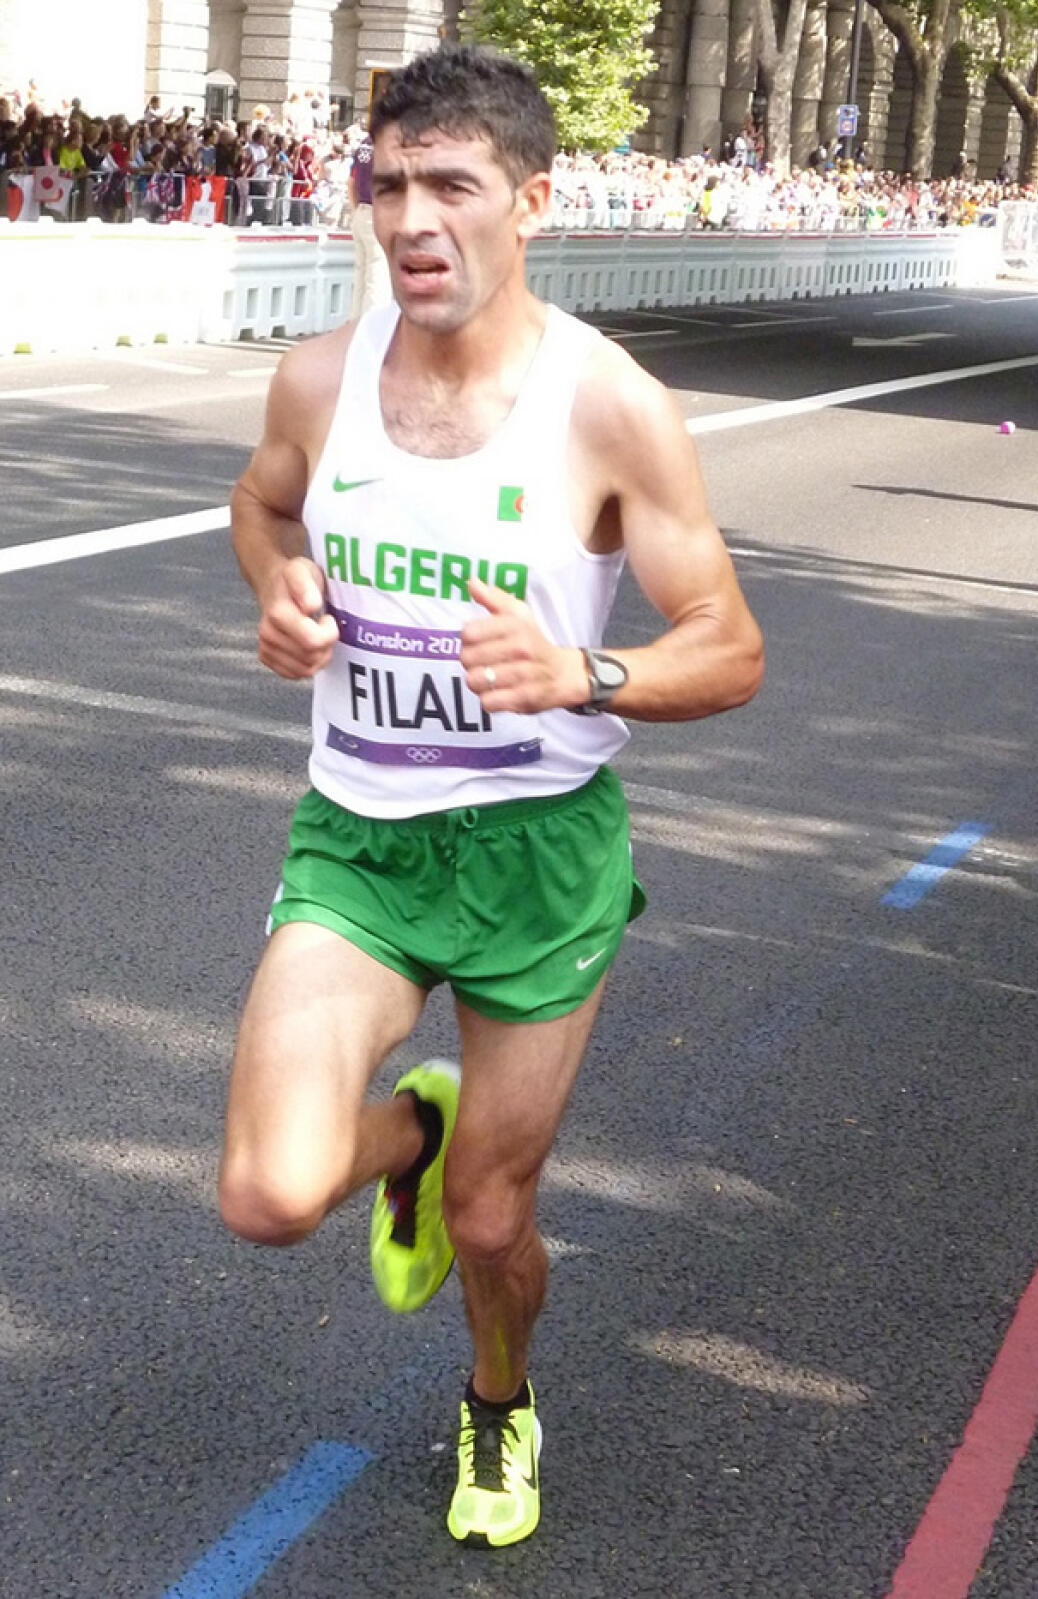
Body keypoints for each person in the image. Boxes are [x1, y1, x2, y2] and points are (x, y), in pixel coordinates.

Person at [220, 41, 762, 1551]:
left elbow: (730, 646)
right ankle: (415, 1126)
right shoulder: (322, 377)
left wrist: (585, 675)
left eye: (452, 185)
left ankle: (499, 1396)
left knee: (491, 1219)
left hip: (538, 851)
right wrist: (279, 589)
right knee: (270, 1190)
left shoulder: (611, 407)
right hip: (363, 832)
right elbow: (262, 502)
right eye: (388, 184)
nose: (413, 220)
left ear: (532, 199)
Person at [348, 124, 389, 314]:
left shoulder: (363, 146)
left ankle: (355, 322)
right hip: (377, 212)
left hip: (361, 210)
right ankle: (372, 324)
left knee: (360, 272)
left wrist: (356, 208)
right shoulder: (387, 146)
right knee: (377, 273)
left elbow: (352, 182)